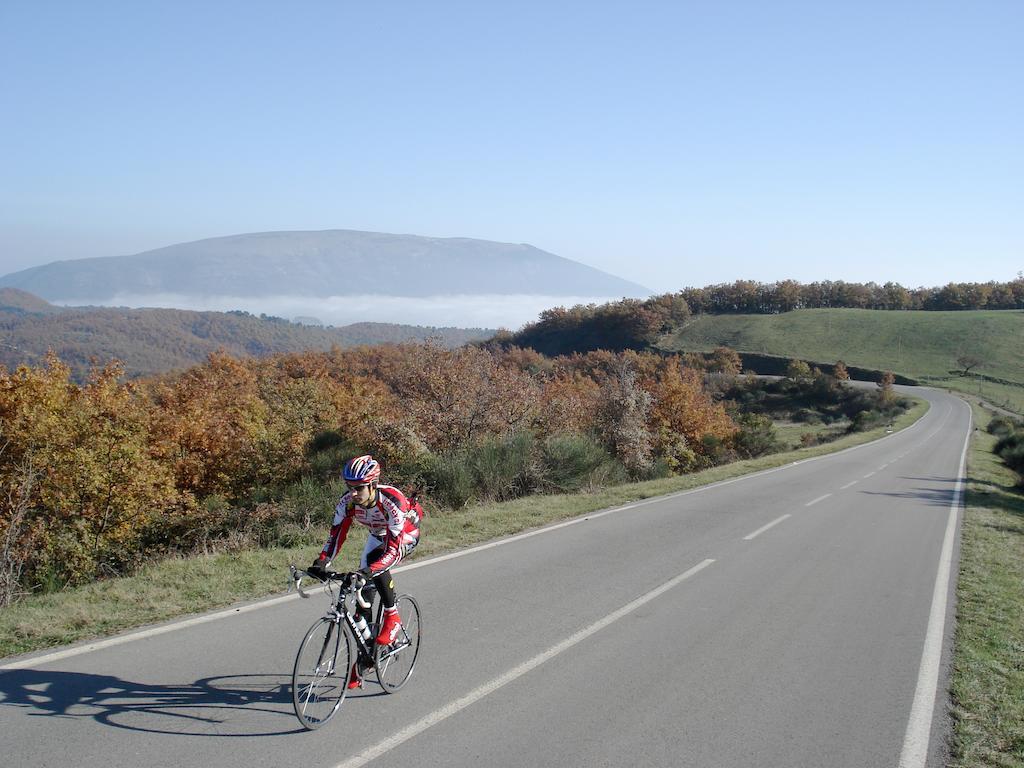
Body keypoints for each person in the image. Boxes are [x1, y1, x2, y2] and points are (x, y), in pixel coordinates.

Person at [308, 454, 422, 689]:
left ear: (372, 484)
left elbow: (392, 550)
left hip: (404, 535)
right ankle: (368, 656)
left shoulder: (392, 502)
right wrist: (322, 561)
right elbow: (336, 535)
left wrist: (368, 571)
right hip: (377, 535)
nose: (353, 493)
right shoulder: (347, 503)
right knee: (361, 597)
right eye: (349, 487)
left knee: (374, 563)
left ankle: (393, 616)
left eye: (358, 488)